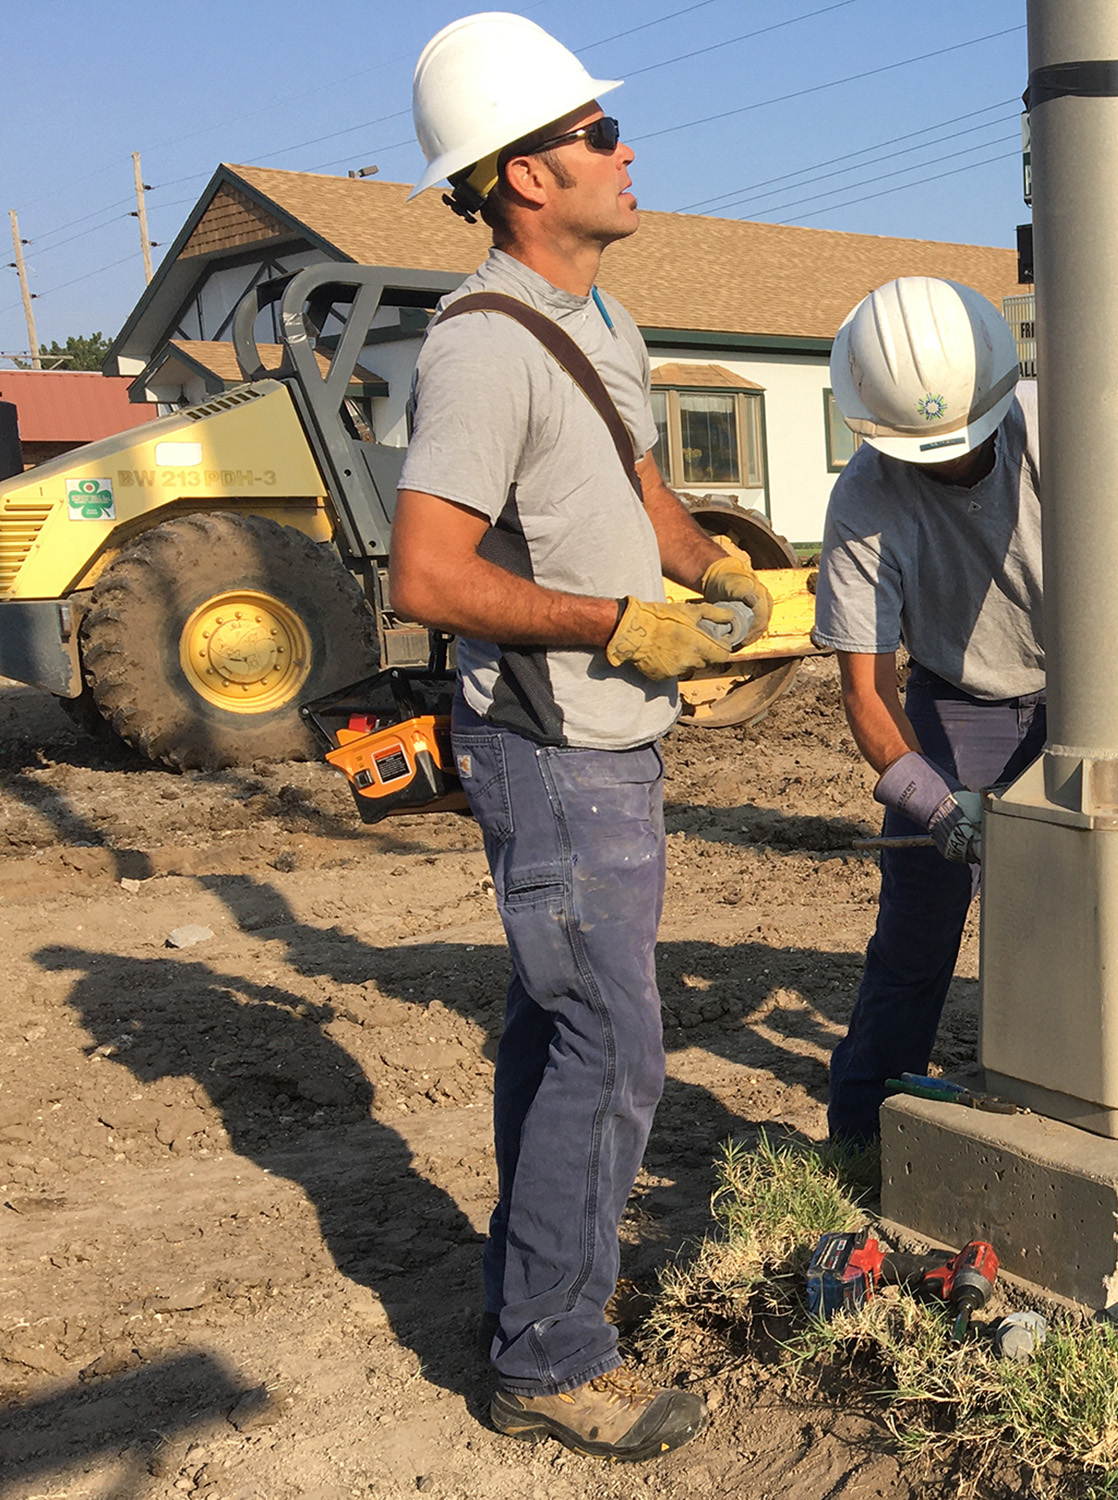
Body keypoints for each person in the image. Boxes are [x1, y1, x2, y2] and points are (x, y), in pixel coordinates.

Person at [388, 12, 770, 1460]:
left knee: (558, 1026)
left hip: (613, 737)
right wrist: (612, 626)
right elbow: (428, 575)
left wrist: (710, 571)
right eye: (596, 133)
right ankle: (549, 1352)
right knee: (611, 1043)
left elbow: (639, 490)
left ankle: (526, 1293)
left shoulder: (601, 321)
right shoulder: (483, 349)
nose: (625, 148)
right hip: (547, 747)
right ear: (520, 178)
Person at [811, 276, 1047, 1146]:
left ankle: (1066, 1094)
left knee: (1082, 905)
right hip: (958, 700)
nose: (947, 461)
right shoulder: (866, 501)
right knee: (919, 922)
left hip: (1085, 693)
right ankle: (864, 1128)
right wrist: (931, 800)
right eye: (922, 449)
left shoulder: (1061, 428)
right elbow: (865, 693)